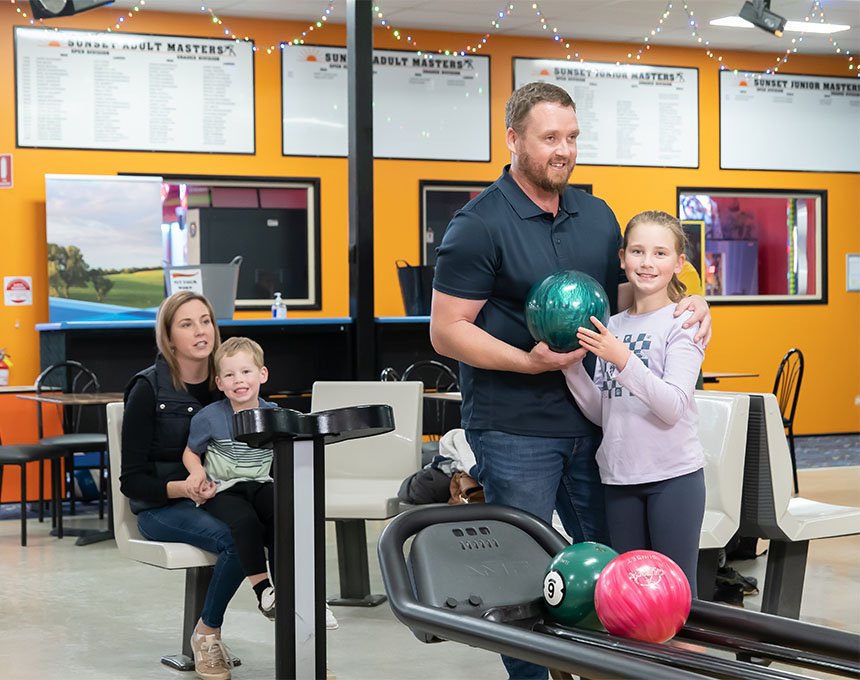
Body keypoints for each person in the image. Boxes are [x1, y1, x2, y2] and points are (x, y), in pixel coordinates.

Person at [429, 81, 711, 680]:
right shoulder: (477, 224)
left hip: (596, 425)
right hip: (514, 427)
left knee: (612, 573)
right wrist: (527, 361)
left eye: (573, 137)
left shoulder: (598, 215)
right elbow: (447, 331)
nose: (564, 149)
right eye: (550, 137)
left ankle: (598, 671)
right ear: (513, 139)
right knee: (525, 574)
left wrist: (693, 304)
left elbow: (635, 295)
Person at [562, 210, 706, 597]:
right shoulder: (614, 325)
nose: (647, 262)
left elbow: (673, 405)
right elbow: (603, 411)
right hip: (619, 477)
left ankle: (684, 661)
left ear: (678, 263)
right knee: (632, 597)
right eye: (638, 251)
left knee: (675, 595)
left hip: (673, 478)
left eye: (660, 253)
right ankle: (642, 663)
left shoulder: (683, 323)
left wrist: (621, 358)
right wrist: (570, 367)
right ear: (622, 258)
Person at [121, 291, 241, 680]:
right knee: (237, 538)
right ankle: (207, 635)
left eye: (205, 320)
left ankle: (301, 631)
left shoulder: (229, 382)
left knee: (279, 520)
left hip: (219, 497)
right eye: (187, 324)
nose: (200, 330)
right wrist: (184, 488)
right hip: (160, 507)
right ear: (169, 338)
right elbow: (132, 481)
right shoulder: (147, 389)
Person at [183, 336, 340, 630]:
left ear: (262, 375)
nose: (238, 380)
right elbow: (191, 452)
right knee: (245, 522)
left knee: (285, 516)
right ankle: (264, 591)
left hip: (262, 485)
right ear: (219, 382)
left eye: (245, 372)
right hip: (224, 490)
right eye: (229, 375)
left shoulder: (274, 415)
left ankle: (301, 595)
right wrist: (196, 473)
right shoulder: (209, 418)